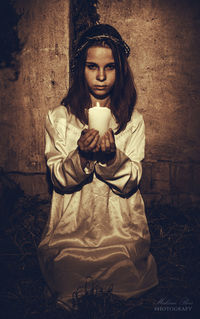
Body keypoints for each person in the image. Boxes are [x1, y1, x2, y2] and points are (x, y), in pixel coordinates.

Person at [38, 24, 158, 309]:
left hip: (119, 231)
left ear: (120, 70)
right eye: (93, 66)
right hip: (72, 232)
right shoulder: (59, 118)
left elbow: (132, 181)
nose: (101, 77)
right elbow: (58, 179)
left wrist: (112, 159)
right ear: (82, 69)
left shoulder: (133, 120)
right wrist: (80, 156)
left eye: (110, 67)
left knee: (127, 274)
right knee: (67, 277)